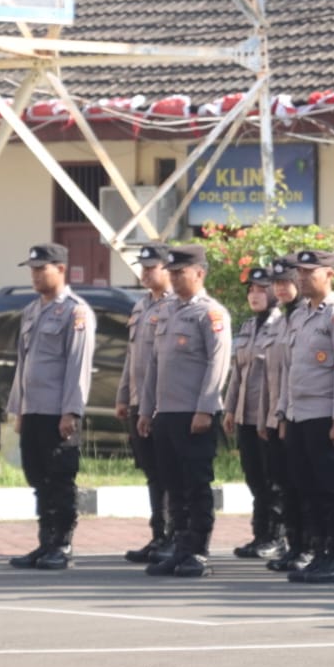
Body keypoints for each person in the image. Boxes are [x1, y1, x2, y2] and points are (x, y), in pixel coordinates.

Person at [138, 245, 231, 578]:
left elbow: (218, 364)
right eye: (172, 273)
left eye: (180, 272)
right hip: (166, 413)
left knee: (196, 486)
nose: (175, 278)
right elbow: (154, 364)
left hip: (194, 414)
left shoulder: (211, 313)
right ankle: (179, 548)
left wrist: (206, 409)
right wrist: (146, 409)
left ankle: (198, 551)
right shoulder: (167, 312)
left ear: (199, 273)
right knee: (173, 487)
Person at [7, 243, 95, 571]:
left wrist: (71, 411)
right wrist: (18, 409)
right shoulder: (31, 311)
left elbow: (78, 365)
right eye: (32, 270)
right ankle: (45, 542)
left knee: (60, 479)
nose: (35, 275)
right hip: (33, 410)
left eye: (40, 269)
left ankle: (62, 544)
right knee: (38, 478)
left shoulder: (76, 311)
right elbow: (23, 363)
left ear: (60, 269)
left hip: (58, 412)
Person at [276, 249, 334, 584]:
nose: (302, 277)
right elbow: (289, 369)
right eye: (300, 272)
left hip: (325, 416)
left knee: (330, 491)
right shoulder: (298, 316)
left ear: (328, 274)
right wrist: (283, 413)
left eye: (309, 272)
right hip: (298, 416)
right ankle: (318, 552)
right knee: (306, 490)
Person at [116, 243, 175, 563]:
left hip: (163, 403)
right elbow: (132, 356)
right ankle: (158, 535)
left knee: (168, 472)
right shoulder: (141, 306)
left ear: (167, 268)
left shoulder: (174, 306)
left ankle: (172, 535)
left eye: (151, 267)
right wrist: (124, 395)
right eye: (143, 267)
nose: (145, 272)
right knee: (152, 472)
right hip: (140, 401)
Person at [224, 267, 285, 559]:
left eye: (261, 289)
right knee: (255, 478)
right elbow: (238, 371)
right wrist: (229, 408)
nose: (254, 295)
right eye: (251, 289)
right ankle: (260, 534)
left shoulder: (282, 325)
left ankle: (276, 535)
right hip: (245, 415)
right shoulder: (249, 326)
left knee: (274, 478)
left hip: (269, 416)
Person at [263, 256, 310, 571]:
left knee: (304, 486)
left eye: (286, 282)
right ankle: (294, 545)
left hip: (302, 413)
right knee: (286, 485)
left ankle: (309, 546)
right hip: (281, 413)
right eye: (276, 283)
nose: (280, 288)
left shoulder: (306, 316)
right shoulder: (281, 320)